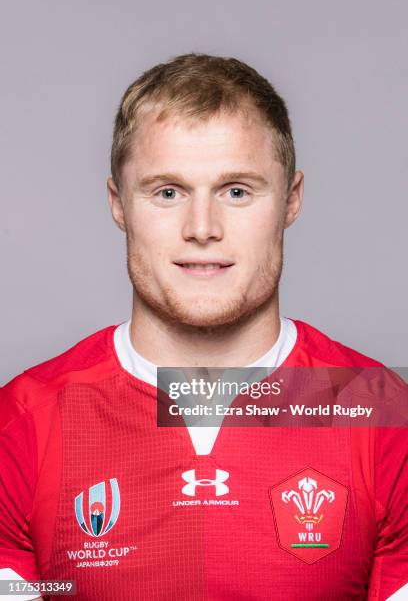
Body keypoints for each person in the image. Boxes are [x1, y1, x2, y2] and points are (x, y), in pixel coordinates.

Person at [0, 53, 406, 601]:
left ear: (291, 200)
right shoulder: (23, 422)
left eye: (237, 190)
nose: (202, 229)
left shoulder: (381, 415)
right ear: (120, 205)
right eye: (167, 192)